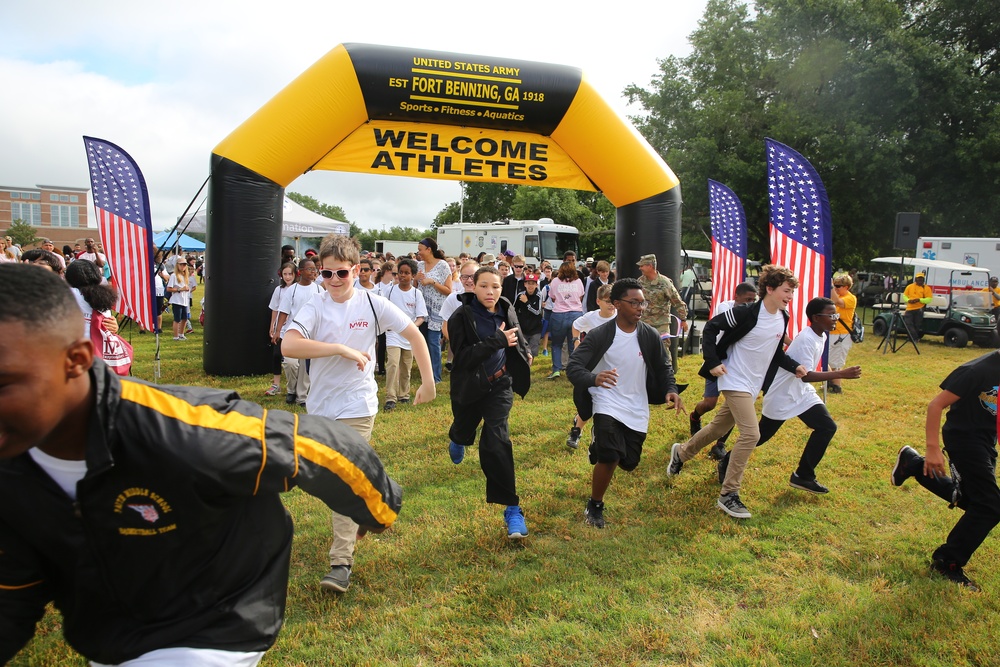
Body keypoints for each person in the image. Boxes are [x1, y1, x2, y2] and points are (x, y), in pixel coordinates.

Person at [0, 263, 402, 666]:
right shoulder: (14, 472)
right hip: (112, 642)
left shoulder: (181, 429)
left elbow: (318, 446)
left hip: (214, 627)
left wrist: (376, 509)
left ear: (76, 360)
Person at [281, 235, 434, 594]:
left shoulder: (373, 301)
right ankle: (369, 503)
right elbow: (288, 344)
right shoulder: (315, 305)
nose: (334, 280)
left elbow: (414, 335)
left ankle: (340, 564)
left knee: (342, 480)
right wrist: (339, 349)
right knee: (322, 477)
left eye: (342, 273)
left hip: (358, 405)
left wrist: (427, 383)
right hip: (320, 407)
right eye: (327, 273)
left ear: (357, 270)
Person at [667, 265, 807, 520]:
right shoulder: (745, 313)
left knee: (718, 428)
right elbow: (710, 329)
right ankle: (728, 494)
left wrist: (793, 366)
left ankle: (681, 452)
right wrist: (712, 361)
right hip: (734, 380)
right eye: (787, 291)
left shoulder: (782, 318)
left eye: (792, 292)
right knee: (751, 434)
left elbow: (773, 351)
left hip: (753, 386)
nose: (790, 296)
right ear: (770, 289)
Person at [567, 278, 683, 528]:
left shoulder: (649, 335)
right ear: (618, 304)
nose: (640, 308)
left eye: (643, 303)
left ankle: (599, 446)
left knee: (628, 461)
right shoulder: (601, 335)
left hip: (635, 404)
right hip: (606, 400)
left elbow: (664, 366)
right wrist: (594, 378)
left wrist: (671, 389)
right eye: (634, 303)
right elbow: (574, 367)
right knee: (610, 456)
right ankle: (595, 505)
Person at [716, 297, 863, 493]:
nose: (835, 318)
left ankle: (803, 475)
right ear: (816, 318)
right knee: (761, 436)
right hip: (783, 394)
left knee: (827, 427)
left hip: (802, 393)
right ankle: (727, 460)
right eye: (831, 315)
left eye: (835, 314)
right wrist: (840, 374)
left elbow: (804, 380)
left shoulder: (822, 336)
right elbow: (805, 375)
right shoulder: (806, 339)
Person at [890, 349, 1000, 591]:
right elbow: (936, 405)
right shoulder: (977, 370)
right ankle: (947, 561)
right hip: (964, 440)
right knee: (990, 505)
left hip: (985, 441)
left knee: (976, 503)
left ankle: (914, 464)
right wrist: (932, 448)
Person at [446, 265, 532, 539]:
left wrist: (525, 351)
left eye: (495, 286)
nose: (490, 291)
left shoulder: (506, 307)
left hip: (500, 384)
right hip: (470, 387)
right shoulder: (462, 315)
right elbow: (462, 359)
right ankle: (458, 437)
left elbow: (516, 335)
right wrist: (496, 341)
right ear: (472, 285)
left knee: (497, 441)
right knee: (464, 427)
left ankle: (512, 509)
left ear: (501, 287)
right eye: (484, 286)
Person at [688, 282, 758, 460]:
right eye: (746, 300)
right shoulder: (725, 308)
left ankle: (720, 444)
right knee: (710, 403)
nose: (749, 303)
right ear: (736, 297)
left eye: (753, 300)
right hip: (718, 362)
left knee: (734, 407)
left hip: (737, 367)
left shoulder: (754, 313)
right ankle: (695, 416)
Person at [566, 284, 617, 449]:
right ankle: (577, 431)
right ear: (598, 301)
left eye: (614, 301)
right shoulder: (591, 317)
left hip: (613, 367)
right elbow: (575, 325)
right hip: (592, 367)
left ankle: (598, 437)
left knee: (605, 405)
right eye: (607, 301)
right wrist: (576, 341)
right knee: (587, 404)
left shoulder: (622, 317)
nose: (611, 305)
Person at [381, 258, 427, 411]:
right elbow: (384, 311)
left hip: (410, 336)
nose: (402, 276)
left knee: (406, 366)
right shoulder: (390, 291)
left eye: (407, 273)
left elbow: (421, 317)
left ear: (413, 275)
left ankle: (404, 394)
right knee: (393, 364)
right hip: (393, 334)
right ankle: (390, 397)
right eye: (400, 272)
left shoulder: (416, 294)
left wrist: (410, 328)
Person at [275, 259, 324, 406]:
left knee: (305, 367)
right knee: (290, 363)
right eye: (309, 269)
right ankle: (291, 390)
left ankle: (302, 397)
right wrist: (277, 331)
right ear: (300, 272)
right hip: (293, 333)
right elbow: (283, 312)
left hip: (310, 334)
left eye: (315, 269)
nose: (313, 272)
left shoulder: (319, 290)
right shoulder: (293, 290)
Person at [415, 237, 452, 383]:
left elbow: (449, 290)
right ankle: (426, 374)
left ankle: (436, 376)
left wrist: (432, 282)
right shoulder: (419, 266)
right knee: (422, 342)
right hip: (422, 309)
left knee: (433, 342)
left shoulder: (443, 265)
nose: (418, 253)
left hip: (437, 310)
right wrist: (416, 279)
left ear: (429, 249)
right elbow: (415, 288)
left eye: (420, 250)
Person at [636, 254, 688, 353]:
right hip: (644, 322)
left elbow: (677, 302)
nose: (640, 268)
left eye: (642, 266)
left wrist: (683, 319)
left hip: (661, 324)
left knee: (663, 351)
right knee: (642, 350)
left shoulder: (665, 283)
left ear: (650, 266)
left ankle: (666, 369)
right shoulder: (640, 281)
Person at [546, 261, 586, 379]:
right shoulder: (578, 281)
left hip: (559, 314)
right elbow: (580, 296)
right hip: (576, 314)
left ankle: (556, 370)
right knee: (573, 343)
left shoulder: (555, 281)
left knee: (557, 344)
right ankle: (574, 369)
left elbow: (552, 297)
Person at [264, 262, 298, 397]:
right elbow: (275, 308)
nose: (288, 277)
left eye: (290, 274)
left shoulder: (298, 289)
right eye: (285, 274)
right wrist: (272, 325)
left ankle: (295, 386)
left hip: (295, 328)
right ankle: (276, 384)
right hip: (281, 328)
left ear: (296, 274)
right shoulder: (279, 290)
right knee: (277, 354)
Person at [829, 274, 857, 394]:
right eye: (834, 286)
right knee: (826, 359)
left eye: (838, 286)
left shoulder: (850, 298)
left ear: (846, 287)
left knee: (836, 362)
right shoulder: (837, 294)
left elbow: (837, 302)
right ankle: (829, 381)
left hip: (842, 334)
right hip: (832, 332)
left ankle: (837, 387)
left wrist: (830, 287)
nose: (835, 288)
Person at [513, 272, 544, 359]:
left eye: (533, 283)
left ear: (536, 284)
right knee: (522, 350)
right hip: (522, 328)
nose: (530, 286)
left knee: (532, 351)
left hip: (535, 328)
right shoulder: (520, 295)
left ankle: (529, 368)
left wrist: (527, 302)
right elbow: (513, 309)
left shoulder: (539, 295)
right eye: (528, 283)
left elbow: (537, 311)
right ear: (525, 284)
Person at [166, 257, 193, 340]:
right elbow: (168, 288)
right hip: (177, 300)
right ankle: (176, 336)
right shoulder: (174, 276)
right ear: (177, 265)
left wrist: (187, 288)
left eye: (184, 265)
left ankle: (181, 334)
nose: (183, 266)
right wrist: (179, 289)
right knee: (177, 319)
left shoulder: (185, 276)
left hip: (184, 300)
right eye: (181, 264)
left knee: (185, 318)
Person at [903, 271, 933, 341]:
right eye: (918, 279)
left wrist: (919, 300)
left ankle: (912, 338)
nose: (920, 280)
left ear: (923, 280)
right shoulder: (909, 287)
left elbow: (929, 299)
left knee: (917, 324)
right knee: (908, 323)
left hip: (919, 308)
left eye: (921, 279)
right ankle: (914, 338)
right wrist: (908, 300)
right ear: (915, 279)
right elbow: (905, 296)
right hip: (910, 308)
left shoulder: (926, 288)